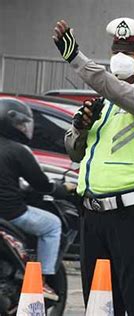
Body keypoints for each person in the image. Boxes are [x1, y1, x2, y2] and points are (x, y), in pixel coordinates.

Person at [53, 18, 134, 315]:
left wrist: (77, 60)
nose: (120, 57)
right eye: (117, 49)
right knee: (99, 307)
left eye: (130, 51)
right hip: (94, 219)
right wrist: (81, 128)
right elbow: (74, 152)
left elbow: (119, 91)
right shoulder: (106, 104)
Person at [0, 97, 75, 300]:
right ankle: (41, 280)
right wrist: (64, 188)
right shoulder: (18, 150)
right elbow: (41, 185)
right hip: (11, 213)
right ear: (10, 123)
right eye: (21, 124)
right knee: (52, 224)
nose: (24, 128)